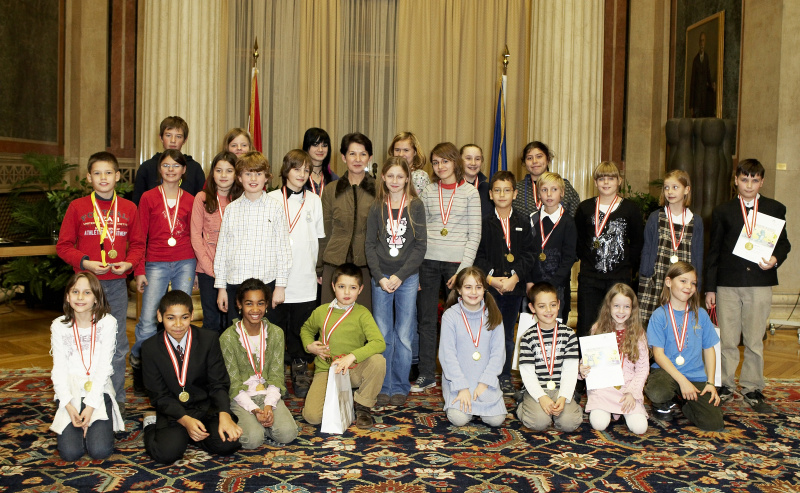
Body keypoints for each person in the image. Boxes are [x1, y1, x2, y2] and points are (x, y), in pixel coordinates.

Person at [57, 151, 145, 413]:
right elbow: (63, 246)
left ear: (118, 176)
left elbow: (139, 244)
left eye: (108, 172)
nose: (103, 178)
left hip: (116, 286)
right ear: (88, 177)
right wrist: (85, 262)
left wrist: (130, 264)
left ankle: (114, 400)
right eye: (97, 173)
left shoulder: (129, 208)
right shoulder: (78, 207)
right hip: (84, 288)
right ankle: (78, 397)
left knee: (116, 343)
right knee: (83, 342)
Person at [706, 158, 791, 411]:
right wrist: (710, 288)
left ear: (762, 181)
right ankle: (726, 384)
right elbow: (713, 252)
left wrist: (775, 259)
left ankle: (753, 386)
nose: (749, 185)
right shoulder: (722, 211)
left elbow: (784, 244)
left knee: (754, 339)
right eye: (744, 179)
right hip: (728, 283)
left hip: (759, 282)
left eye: (755, 180)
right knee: (728, 339)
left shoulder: (775, 208)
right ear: (736, 181)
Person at [141, 290, 242, 464]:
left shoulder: (208, 339)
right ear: (159, 316)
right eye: (171, 318)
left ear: (192, 315)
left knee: (227, 445)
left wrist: (224, 414)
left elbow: (218, 383)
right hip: (173, 412)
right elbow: (159, 395)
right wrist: (185, 421)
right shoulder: (150, 348)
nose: (178, 324)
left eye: (184, 317)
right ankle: (151, 424)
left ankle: (193, 435)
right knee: (166, 454)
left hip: (205, 408)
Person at [413, 142, 482, 393]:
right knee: (426, 320)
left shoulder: (471, 193)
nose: (440, 166)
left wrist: (463, 271)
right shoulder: (428, 192)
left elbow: (475, 234)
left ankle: (462, 372)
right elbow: (418, 230)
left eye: (445, 161)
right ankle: (426, 374)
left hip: (457, 265)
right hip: (428, 262)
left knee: (459, 321)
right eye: (435, 162)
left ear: (455, 162)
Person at [131, 150, 196, 395]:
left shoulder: (190, 199)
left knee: (180, 318)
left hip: (185, 261)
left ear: (183, 170)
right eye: (166, 165)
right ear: (160, 169)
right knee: (148, 321)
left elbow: (195, 235)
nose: (171, 170)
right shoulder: (148, 198)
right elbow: (139, 237)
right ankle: (140, 364)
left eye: (176, 166)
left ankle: (175, 368)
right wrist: (139, 270)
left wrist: (197, 270)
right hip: (155, 262)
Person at [365, 156, 427, 406]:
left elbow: (420, 246)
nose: (394, 181)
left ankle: (400, 385)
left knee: (403, 334)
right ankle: (383, 385)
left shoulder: (416, 206)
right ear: (383, 178)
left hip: (407, 278)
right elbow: (369, 245)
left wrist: (400, 276)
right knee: (383, 333)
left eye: (400, 176)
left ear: (407, 178)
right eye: (390, 176)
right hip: (380, 278)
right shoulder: (376, 206)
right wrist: (379, 277)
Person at [266, 150, 325, 398]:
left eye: (306, 170)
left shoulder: (314, 200)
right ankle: (275, 372)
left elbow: (320, 238)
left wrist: (319, 270)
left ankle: (300, 368)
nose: (301, 174)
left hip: (305, 276)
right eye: (296, 168)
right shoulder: (270, 199)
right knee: (276, 328)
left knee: (301, 328)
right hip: (275, 278)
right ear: (285, 170)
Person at [300, 263, 386, 429]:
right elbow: (306, 329)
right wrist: (309, 346)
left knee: (378, 361)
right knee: (312, 417)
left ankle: (363, 406)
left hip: (353, 369)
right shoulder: (321, 311)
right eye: (341, 286)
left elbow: (379, 342)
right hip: (327, 370)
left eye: (352, 287)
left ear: (360, 289)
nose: (347, 292)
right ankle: (337, 398)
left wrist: (352, 356)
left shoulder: (362, 313)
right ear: (333, 287)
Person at [50, 272, 124, 461]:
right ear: (68, 296)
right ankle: (78, 427)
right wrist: (68, 406)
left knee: (100, 451)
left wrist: (90, 407)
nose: (80, 297)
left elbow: (104, 369)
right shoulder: (59, 325)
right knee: (70, 454)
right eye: (75, 292)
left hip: (98, 392)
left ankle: (98, 426)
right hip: (71, 393)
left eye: (87, 292)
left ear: (97, 298)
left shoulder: (107, 322)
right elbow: (58, 370)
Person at [474, 170, 534, 395]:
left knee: (507, 334)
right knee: (487, 333)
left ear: (515, 193)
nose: (502, 195)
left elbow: (529, 254)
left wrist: (515, 277)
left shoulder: (523, 222)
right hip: (490, 288)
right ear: (490, 194)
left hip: (513, 288)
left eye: (507, 190)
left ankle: (505, 375)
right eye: (497, 190)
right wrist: (490, 279)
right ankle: (483, 373)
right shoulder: (484, 223)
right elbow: (478, 256)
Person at [214, 151, 291, 323]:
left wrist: (280, 286)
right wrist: (221, 288)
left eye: (258, 173)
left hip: (267, 285)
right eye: (248, 173)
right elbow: (222, 250)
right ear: (239, 178)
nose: (253, 179)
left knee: (266, 336)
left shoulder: (276, 208)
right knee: (236, 337)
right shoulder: (231, 210)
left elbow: (284, 250)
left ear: (266, 178)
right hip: (235, 284)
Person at [220, 279, 298, 448]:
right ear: (239, 305)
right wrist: (255, 410)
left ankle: (264, 425)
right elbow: (233, 384)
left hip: (268, 394)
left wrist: (268, 405)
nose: (255, 310)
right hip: (241, 397)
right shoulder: (228, 338)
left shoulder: (276, 333)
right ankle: (256, 426)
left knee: (288, 434)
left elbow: (277, 377)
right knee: (252, 440)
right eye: (249, 304)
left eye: (260, 303)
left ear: (267, 305)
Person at [645, 262, 723, 430]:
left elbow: (709, 349)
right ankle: (666, 401)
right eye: (683, 281)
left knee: (714, 424)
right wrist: (683, 382)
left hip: (695, 375)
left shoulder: (700, 314)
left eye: (693, 283)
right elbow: (658, 355)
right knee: (658, 391)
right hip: (667, 372)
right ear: (668, 282)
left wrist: (710, 383)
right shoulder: (659, 315)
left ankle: (685, 403)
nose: (689, 287)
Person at [574, 161, 644, 340]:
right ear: (595, 182)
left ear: (619, 181)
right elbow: (579, 240)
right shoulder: (585, 208)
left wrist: (629, 267)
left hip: (619, 278)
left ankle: (619, 365)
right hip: (590, 277)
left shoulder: (630, 209)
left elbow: (637, 243)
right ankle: (585, 365)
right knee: (587, 323)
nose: (606, 182)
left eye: (611, 178)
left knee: (617, 324)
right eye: (602, 178)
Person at [439, 267, 507, 427]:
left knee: (496, 420)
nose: (474, 292)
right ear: (459, 290)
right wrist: (461, 387)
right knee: (459, 419)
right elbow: (447, 355)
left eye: (478, 287)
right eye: (468, 287)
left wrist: (484, 383)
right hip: (458, 382)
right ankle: (462, 403)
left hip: (485, 383)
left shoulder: (494, 314)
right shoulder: (450, 316)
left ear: (484, 289)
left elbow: (498, 354)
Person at [318, 133, 377, 311]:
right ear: (343, 157)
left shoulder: (380, 190)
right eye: (352, 154)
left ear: (370, 157)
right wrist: (319, 268)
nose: (357, 159)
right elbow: (324, 231)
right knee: (330, 319)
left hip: (366, 267)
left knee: (360, 323)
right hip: (333, 264)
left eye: (363, 154)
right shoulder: (331, 190)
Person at [579, 284, 649, 434]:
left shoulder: (638, 333)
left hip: (628, 389)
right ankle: (609, 410)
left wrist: (633, 392)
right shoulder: (597, 328)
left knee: (640, 428)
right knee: (598, 424)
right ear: (608, 306)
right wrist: (582, 368)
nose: (621, 311)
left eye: (626, 307)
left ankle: (624, 412)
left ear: (632, 309)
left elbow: (643, 368)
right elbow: (588, 358)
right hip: (603, 389)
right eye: (616, 306)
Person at [639, 170, 703, 327]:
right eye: (666, 188)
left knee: (679, 326)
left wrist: (696, 285)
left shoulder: (695, 221)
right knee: (651, 327)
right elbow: (647, 249)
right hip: (657, 281)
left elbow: (698, 255)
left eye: (675, 187)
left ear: (686, 190)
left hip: (683, 283)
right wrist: (646, 277)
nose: (670, 192)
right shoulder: (656, 217)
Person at [516, 283, 582, 432]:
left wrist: (564, 397)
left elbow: (570, 370)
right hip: (537, 390)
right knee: (538, 423)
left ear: (559, 305)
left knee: (569, 424)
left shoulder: (569, 335)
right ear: (532, 308)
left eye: (552, 305)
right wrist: (541, 397)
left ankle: (566, 406)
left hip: (561, 389)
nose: (548, 310)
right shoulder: (527, 337)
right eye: (542, 306)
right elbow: (527, 373)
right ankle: (522, 404)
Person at [191, 151, 243, 334]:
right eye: (219, 170)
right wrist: (210, 268)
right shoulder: (202, 198)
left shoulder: (241, 200)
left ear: (236, 174)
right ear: (212, 172)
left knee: (232, 321)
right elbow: (196, 236)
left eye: (229, 171)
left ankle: (230, 361)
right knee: (212, 320)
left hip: (234, 271)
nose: (223, 175)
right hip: (208, 270)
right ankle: (211, 361)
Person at [528, 171, 578, 321]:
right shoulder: (532, 219)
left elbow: (569, 257)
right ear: (538, 194)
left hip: (558, 286)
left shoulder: (568, 222)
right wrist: (529, 281)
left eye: (554, 189)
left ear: (562, 193)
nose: (549, 194)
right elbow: (527, 252)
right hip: (533, 284)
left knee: (556, 326)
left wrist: (553, 284)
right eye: (544, 190)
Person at [132, 116, 205, 204]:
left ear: (185, 140)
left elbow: (202, 203)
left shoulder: (194, 168)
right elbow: (137, 203)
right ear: (161, 137)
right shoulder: (147, 167)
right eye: (168, 135)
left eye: (178, 136)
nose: (173, 140)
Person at [513, 141, 581, 221]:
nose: (534, 161)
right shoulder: (516, 189)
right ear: (524, 162)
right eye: (529, 158)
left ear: (548, 159)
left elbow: (576, 220)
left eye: (539, 156)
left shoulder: (565, 186)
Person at [303, 127, 339, 196]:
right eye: (315, 145)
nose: (320, 149)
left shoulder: (334, 179)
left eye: (324, 145)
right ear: (307, 147)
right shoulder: (299, 176)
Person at [689, 32, 716, 118]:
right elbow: (692, 83)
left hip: (704, 99)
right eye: (700, 41)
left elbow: (708, 74)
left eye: (703, 41)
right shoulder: (695, 60)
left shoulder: (706, 58)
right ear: (698, 43)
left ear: (705, 42)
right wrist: (691, 106)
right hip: (696, 101)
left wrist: (712, 85)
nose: (702, 43)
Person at [460, 144, 491, 216]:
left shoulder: (489, 189)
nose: (473, 163)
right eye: (468, 158)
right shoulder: (452, 187)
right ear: (459, 160)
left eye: (477, 159)